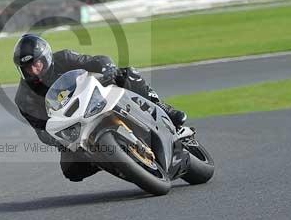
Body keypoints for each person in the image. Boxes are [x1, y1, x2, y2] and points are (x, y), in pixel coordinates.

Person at [12, 33, 187, 182]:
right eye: (27, 68)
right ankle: (111, 161)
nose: (34, 70)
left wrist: (108, 68)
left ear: (46, 57)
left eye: (36, 63)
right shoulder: (24, 98)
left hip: (95, 98)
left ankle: (164, 108)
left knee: (127, 74)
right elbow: (41, 131)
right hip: (74, 128)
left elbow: (96, 60)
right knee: (71, 170)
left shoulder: (63, 58)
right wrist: (58, 139)